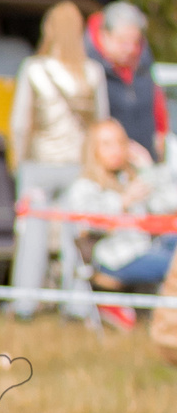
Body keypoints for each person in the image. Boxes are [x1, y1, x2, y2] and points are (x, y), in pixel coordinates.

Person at [8, 2, 109, 318]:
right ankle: (77, 304)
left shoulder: (35, 68)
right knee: (75, 239)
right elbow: (101, 123)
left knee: (32, 236)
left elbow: (20, 124)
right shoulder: (92, 73)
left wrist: (17, 161)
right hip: (78, 167)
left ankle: (24, 304)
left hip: (39, 165)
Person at [59, 118, 177, 301]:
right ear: (93, 150)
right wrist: (124, 200)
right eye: (106, 144)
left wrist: (147, 168)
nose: (116, 150)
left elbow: (170, 202)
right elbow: (89, 224)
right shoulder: (84, 186)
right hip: (116, 259)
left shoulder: (129, 178)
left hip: (148, 248)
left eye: (120, 142)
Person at [86, 1, 166, 162]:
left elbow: (156, 97)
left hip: (146, 154)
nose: (130, 49)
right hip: (109, 161)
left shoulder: (142, 61)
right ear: (104, 35)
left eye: (135, 42)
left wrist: (161, 130)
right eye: (122, 42)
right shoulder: (89, 67)